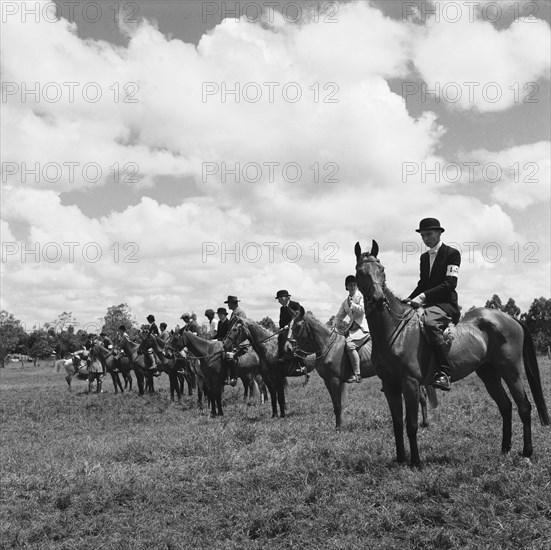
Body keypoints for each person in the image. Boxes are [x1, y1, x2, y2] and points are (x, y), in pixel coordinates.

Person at [406, 218, 460, 392]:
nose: (425, 239)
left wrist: (422, 297)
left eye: (428, 234)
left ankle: (444, 373)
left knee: (430, 323)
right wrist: (408, 299)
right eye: (422, 236)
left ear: (439, 233)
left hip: (446, 304)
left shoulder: (452, 253)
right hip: (428, 304)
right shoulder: (424, 258)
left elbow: (450, 283)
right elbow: (423, 283)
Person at [335, 275, 370, 383]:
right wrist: (333, 325)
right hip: (352, 328)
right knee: (338, 343)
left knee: (350, 345)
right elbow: (339, 316)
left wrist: (353, 305)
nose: (353, 286)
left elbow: (363, 310)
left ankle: (357, 374)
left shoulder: (361, 296)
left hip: (363, 327)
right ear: (346, 287)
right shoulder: (345, 302)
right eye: (350, 285)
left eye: (354, 284)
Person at [275, 290, 307, 376]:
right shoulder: (282, 308)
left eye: (279, 299)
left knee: (296, 342)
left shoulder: (295, 305)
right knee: (280, 337)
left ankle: (302, 364)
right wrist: (282, 328)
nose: (278, 301)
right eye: (278, 299)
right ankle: (282, 357)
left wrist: (288, 326)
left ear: (286, 298)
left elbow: (297, 317)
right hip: (287, 329)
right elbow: (281, 320)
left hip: (297, 328)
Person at [223, 296, 246, 386]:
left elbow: (241, 328)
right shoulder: (233, 313)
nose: (228, 305)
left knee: (229, 356)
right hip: (232, 339)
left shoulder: (240, 312)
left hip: (240, 340)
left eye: (228, 303)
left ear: (233, 303)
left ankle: (234, 377)